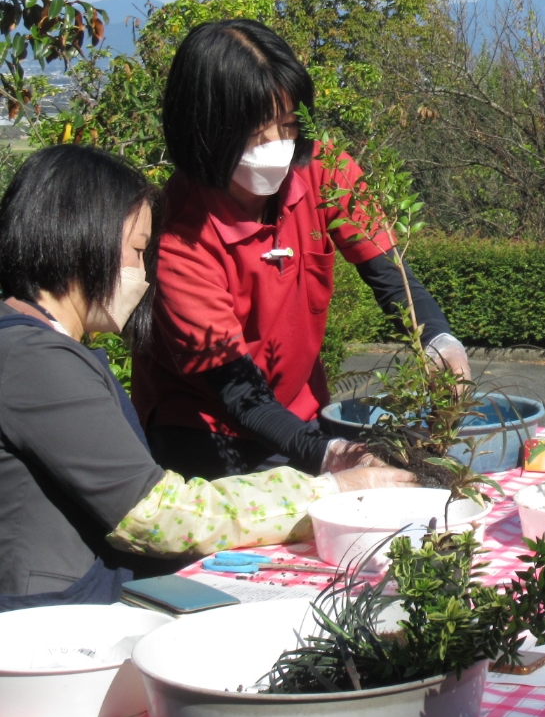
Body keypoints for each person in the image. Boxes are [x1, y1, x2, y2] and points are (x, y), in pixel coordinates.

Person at [0, 145, 415, 608]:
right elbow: (156, 514)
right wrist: (328, 491)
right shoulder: (36, 362)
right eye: (138, 250)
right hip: (47, 621)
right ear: (81, 236)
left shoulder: (35, 349)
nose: (143, 273)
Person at [133, 19, 470, 480]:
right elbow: (237, 392)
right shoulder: (179, 237)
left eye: (289, 126)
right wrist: (333, 456)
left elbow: (390, 276)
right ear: (207, 129)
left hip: (302, 415)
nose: (278, 147)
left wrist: (438, 340)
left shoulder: (323, 171)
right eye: (257, 133)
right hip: (206, 435)